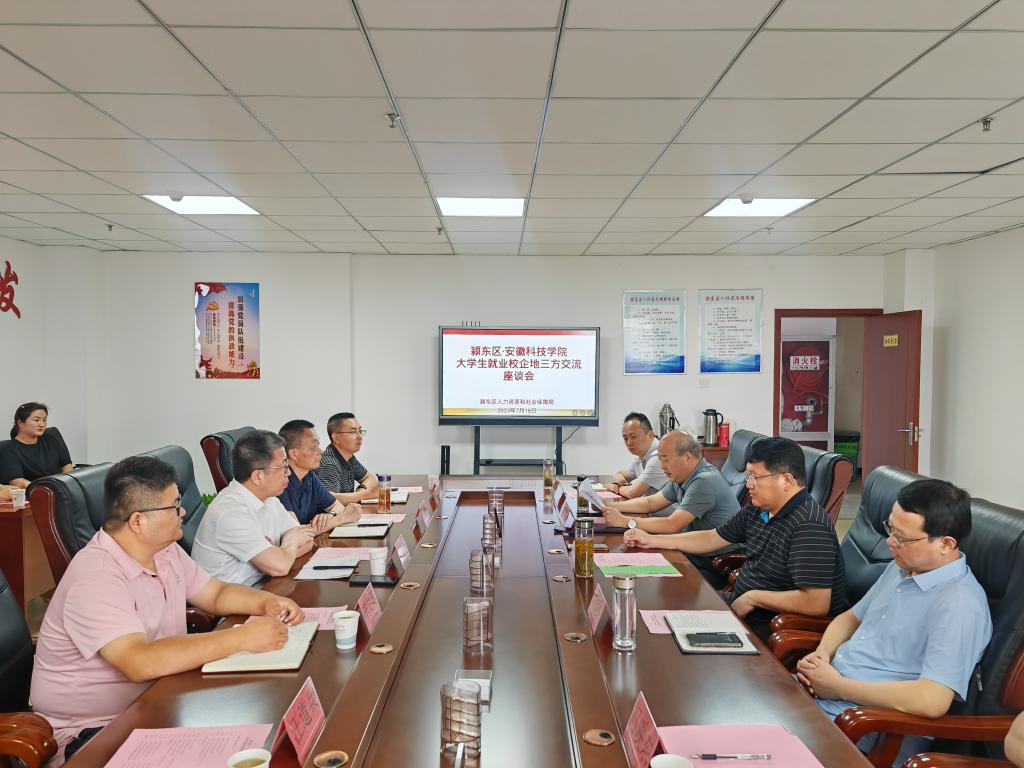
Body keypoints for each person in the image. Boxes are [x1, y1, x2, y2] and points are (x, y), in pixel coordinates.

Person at [30, 455, 304, 764]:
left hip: (161, 699)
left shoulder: (164, 550)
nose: (183, 512)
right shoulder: (97, 576)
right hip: (96, 731)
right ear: (138, 521)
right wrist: (242, 638)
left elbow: (214, 593)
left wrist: (265, 602)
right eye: (174, 506)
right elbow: (139, 661)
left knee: (265, 727)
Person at [796, 479, 992, 768]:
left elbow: (932, 700)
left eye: (902, 537)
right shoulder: (902, 568)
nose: (890, 542)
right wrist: (822, 655)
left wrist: (839, 687)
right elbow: (850, 618)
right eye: (890, 529)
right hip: (826, 697)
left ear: (945, 543)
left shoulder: (959, 604)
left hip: (870, 726)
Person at [624, 436, 846, 641]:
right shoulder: (760, 509)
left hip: (771, 623)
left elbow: (816, 602)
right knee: (659, 610)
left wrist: (753, 597)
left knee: (669, 637)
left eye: (755, 478)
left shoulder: (809, 525)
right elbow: (712, 538)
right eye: (748, 476)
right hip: (744, 605)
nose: (748, 485)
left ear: (786, 480)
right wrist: (653, 540)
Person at [603, 431, 739, 583]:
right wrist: (608, 505)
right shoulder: (683, 476)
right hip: (693, 552)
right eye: (660, 460)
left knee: (642, 578)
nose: (662, 466)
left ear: (686, 457)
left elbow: (672, 524)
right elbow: (650, 503)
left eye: (665, 460)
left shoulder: (704, 481)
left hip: (716, 563)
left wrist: (625, 522)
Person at [192, 429, 315, 585]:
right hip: (234, 597)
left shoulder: (269, 500)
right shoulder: (230, 512)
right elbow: (281, 566)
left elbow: (306, 539)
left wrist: (280, 552)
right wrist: (289, 543)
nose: (289, 473)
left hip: (266, 584)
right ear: (258, 476)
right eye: (283, 466)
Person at [278, 419, 361, 532]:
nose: (321, 451)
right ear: (294, 453)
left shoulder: (309, 476)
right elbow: (296, 533)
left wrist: (331, 515)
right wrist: (342, 518)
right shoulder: (280, 482)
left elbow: (337, 506)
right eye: (314, 447)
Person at [0, 402, 73, 488]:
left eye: (44, 420)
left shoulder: (51, 439)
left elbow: (66, 465)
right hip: (37, 491)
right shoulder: (9, 450)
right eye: (36, 420)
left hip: (61, 488)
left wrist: (66, 484)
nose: (42, 424)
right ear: (20, 423)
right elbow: (18, 482)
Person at [315, 412, 378, 503]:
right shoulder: (329, 464)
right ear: (336, 438)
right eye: (353, 432)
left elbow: (370, 479)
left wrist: (361, 492)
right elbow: (328, 500)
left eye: (360, 431)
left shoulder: (349, 457)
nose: (359, 436)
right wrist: (366, 494)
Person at [604, 412, 668, 501]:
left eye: (633, 437)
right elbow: (621, 473)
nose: (629, 442)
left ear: (650, 435)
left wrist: (613, 487)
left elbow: (632, 493)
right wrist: (618, 480)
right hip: (649, 508)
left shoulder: (659, 457)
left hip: (668, 510)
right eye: (625, 438)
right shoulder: (642, 456)